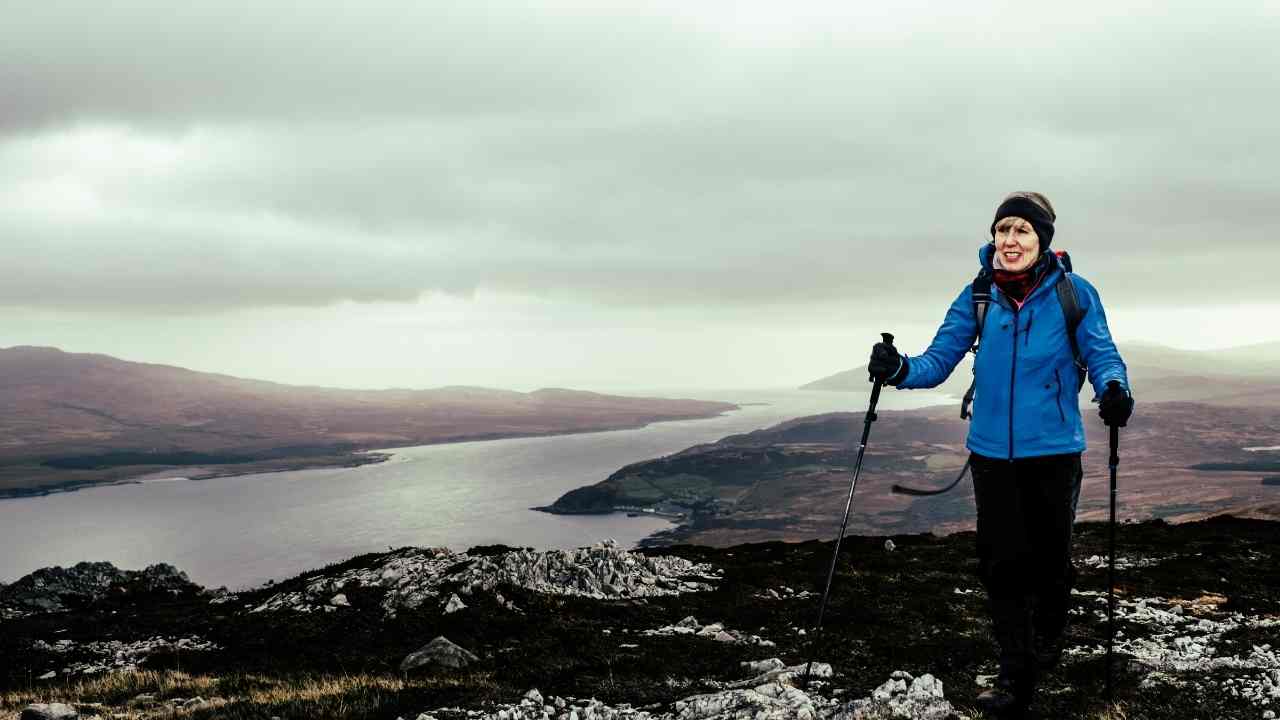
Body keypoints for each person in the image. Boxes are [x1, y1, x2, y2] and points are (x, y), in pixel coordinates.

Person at [866, 191, 1134, 716]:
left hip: (1054, 452)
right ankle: (1016, 676)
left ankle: (1051, 631)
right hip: (991, 455)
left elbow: (1102, 353)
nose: (1009, 241)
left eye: (1021, 232)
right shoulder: (978, 297)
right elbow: (938, 362)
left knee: (1051, 563)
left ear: (1042, 241)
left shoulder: (1074, 294)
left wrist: (1114, 390)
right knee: (1003, 564)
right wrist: (897, 369)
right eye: (1002, 230)